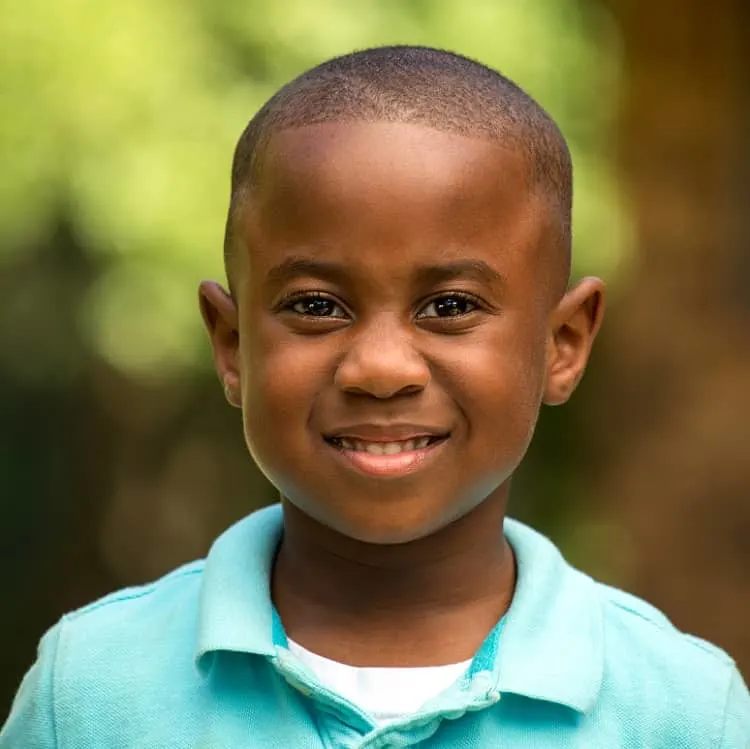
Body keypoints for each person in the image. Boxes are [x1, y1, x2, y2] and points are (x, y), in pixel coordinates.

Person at [2, 45, 748, 748]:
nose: (381, 367)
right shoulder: (94, 691)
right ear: (231, 344)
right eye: (318, 306)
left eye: (450, 306)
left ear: (563, 345)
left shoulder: (680, 711)